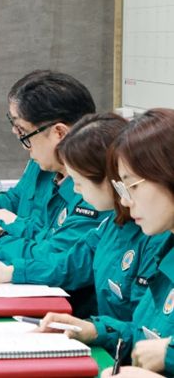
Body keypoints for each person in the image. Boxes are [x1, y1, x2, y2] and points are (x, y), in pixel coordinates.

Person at [0, 113, 168, 322]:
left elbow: (141, 330)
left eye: (78, 182)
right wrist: (11, 272)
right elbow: (69, 264)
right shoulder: (113, 223)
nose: (75, 190)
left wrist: (95, 330)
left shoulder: (153, 237)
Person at [40, 109, 174, 376]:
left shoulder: (153, 242)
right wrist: (94, 330)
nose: (124, 200)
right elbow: (145, 335)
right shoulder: (167, 250)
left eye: (132, 186)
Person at [0, 71, 105, 267]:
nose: (24, 144)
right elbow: (16, 201)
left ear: (59, 133)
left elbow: (53, 255)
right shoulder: (43, 163)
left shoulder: (93, 189)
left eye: (23, 132)